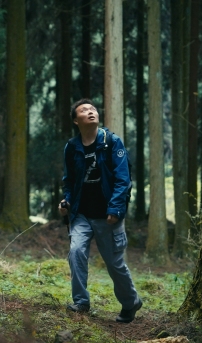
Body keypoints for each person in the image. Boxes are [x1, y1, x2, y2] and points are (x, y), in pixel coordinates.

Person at [59, 98, 142, 323]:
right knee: (76, 252)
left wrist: (115, 209)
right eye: (84, 110)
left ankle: (130, 303)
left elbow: (123, 179)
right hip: (81, 215)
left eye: (93, 109)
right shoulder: (72, 147)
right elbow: (69, 181)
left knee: (114, 263)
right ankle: (81, 302)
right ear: (76, 120)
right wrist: (65, 201)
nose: (90, 112)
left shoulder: (112, 142)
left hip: (108, 216)